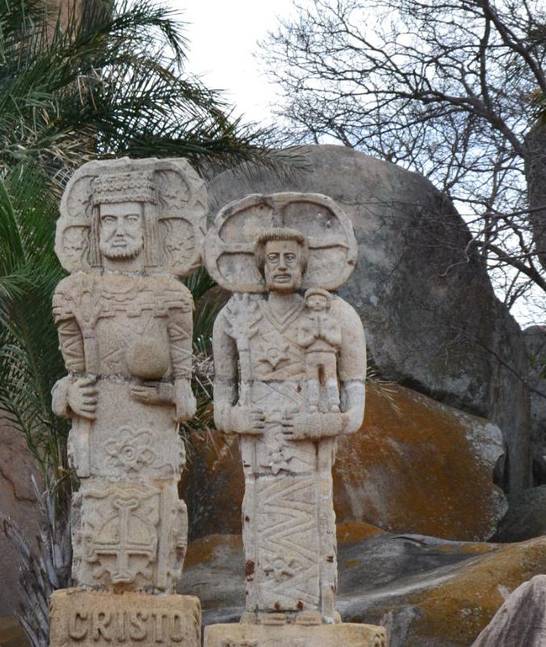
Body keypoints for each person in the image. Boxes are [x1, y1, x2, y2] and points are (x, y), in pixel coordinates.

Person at [211, 227, 366, 624]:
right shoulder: (234, 316)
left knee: (313, 522)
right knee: (260, 525)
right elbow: (221, 404)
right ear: (259, 266)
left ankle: (314, 609)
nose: (281, 266)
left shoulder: (333, 315)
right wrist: (235, 417)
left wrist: (323, 422)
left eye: (290, 258)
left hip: (309, 458)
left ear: (305, 264)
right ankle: (265, 610)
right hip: (260, 453)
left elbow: (355, 412)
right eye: (273, 259)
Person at [51, 168, 196, 591]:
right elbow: (70, 377)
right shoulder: (72, 293)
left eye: (130, 219)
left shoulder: (172, 295)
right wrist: (67, 396)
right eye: (109, 220)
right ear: (94, 227)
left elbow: (184, 395)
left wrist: (169, 392)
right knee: (99, 529)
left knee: (153, 536)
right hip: (99, 437)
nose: (119, 230)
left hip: (152, 439)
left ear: (149, 224)